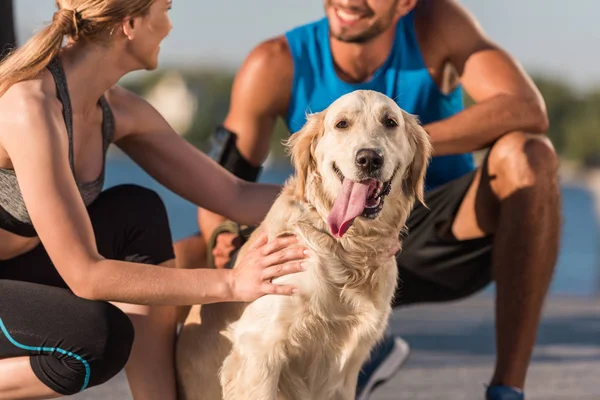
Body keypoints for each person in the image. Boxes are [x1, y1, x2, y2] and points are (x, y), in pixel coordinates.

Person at [188, 1, 561, 399]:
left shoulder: (438, 26)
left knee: (530, 155)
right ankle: (339, 363)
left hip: (430, 232)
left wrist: (399, 141)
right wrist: (221, 241)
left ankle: (507, 388)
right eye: (344, 125)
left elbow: (527, 108)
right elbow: (224, 181)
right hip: (323, 231)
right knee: (182, 256)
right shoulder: (275, 62)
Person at [0, 1, 310, 399]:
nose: (169, 26)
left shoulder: (117, 110)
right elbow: (86, 275)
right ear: (130, 23)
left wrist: (351, 209)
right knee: (95, 340)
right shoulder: (30, 107)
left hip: (16, 270)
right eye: (164, 9)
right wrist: (231, 282)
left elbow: (234, 193)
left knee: (137, 211)